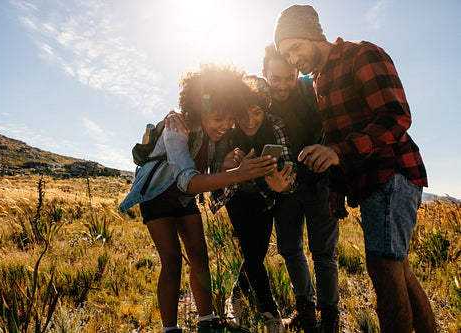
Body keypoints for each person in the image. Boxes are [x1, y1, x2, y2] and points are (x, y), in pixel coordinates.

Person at [274, 4, 436, 333]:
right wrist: (336, 187)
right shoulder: (320, 82)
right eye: (285, 54)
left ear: (312, 35)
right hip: (366, 182)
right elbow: (335, 139)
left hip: (393, 173)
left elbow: (396, 117)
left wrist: (338, 152)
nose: (293, 61)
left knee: (382, 267)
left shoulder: (361, 55)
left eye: (295, 48)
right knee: (397, 268)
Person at [119, 64, 278, 333]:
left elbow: (214, 174)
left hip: (184, 199)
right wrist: (238, 174)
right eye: (218, 118)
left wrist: (228, 167)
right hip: (157, 196)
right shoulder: (176, 128)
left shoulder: (218, 134)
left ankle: (207, 322)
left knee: (200, 256)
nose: (226, 125)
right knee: (171, 260)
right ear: (199, 109)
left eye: (230, 118)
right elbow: (188, 180)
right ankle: (170, 329)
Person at [262, 43, 342, 332]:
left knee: (324, 253)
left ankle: (330, 317)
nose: (282, 85)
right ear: (265, 73)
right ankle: (305, 310)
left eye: (288, 77)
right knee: (288, 248)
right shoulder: (260, 101)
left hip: (320, 183)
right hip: (285, 189)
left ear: (296, 72)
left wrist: (337, 183)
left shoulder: (312, 91)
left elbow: (336, 127)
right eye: (275, 78)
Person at [209, 76, 295, 333]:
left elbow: (291, 163)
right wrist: (225, 168)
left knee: (255, 254)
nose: (249, 120)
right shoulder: (228, 131)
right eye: (243, 113)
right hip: (236, 196)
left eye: (257, 112)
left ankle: (234, 297)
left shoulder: (275, 125)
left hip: (266, 198)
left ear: (265, 110)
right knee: (253, 252)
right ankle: (271, 315)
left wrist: (285, 184)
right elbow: (212, 171)